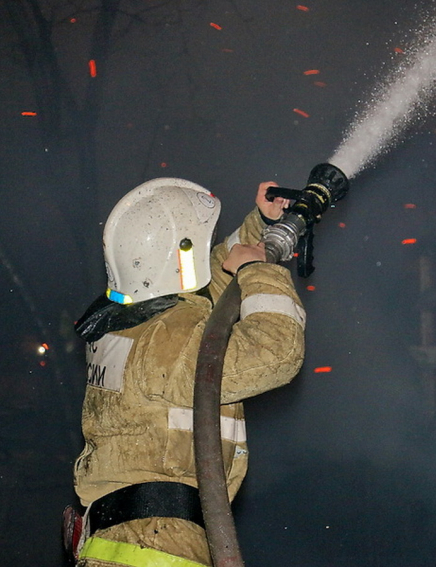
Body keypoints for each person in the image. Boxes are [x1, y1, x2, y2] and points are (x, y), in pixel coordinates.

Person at [69, 178, 305, 567]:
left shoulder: (127, 320)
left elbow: (201, 283)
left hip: (128, 540)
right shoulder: (168, 341)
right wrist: (260, 270)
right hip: (159, 550)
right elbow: (276, 351)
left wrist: (260, 226)